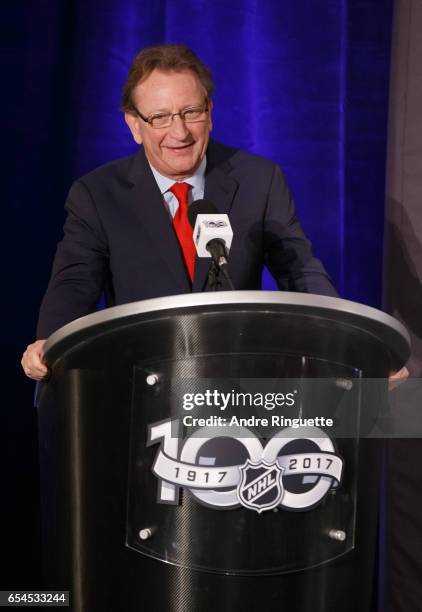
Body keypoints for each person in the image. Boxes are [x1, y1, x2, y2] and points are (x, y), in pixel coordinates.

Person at [21, 43, 363, 381]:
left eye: (191, 112)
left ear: (210, 112)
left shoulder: (259, 180)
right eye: (160, 117)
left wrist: (348, 340)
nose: (179, 132)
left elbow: (298, 268)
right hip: (140, 390)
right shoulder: (97, 195)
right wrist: (50, 341)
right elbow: (74, 283)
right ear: (134, 125)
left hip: (236, 389)